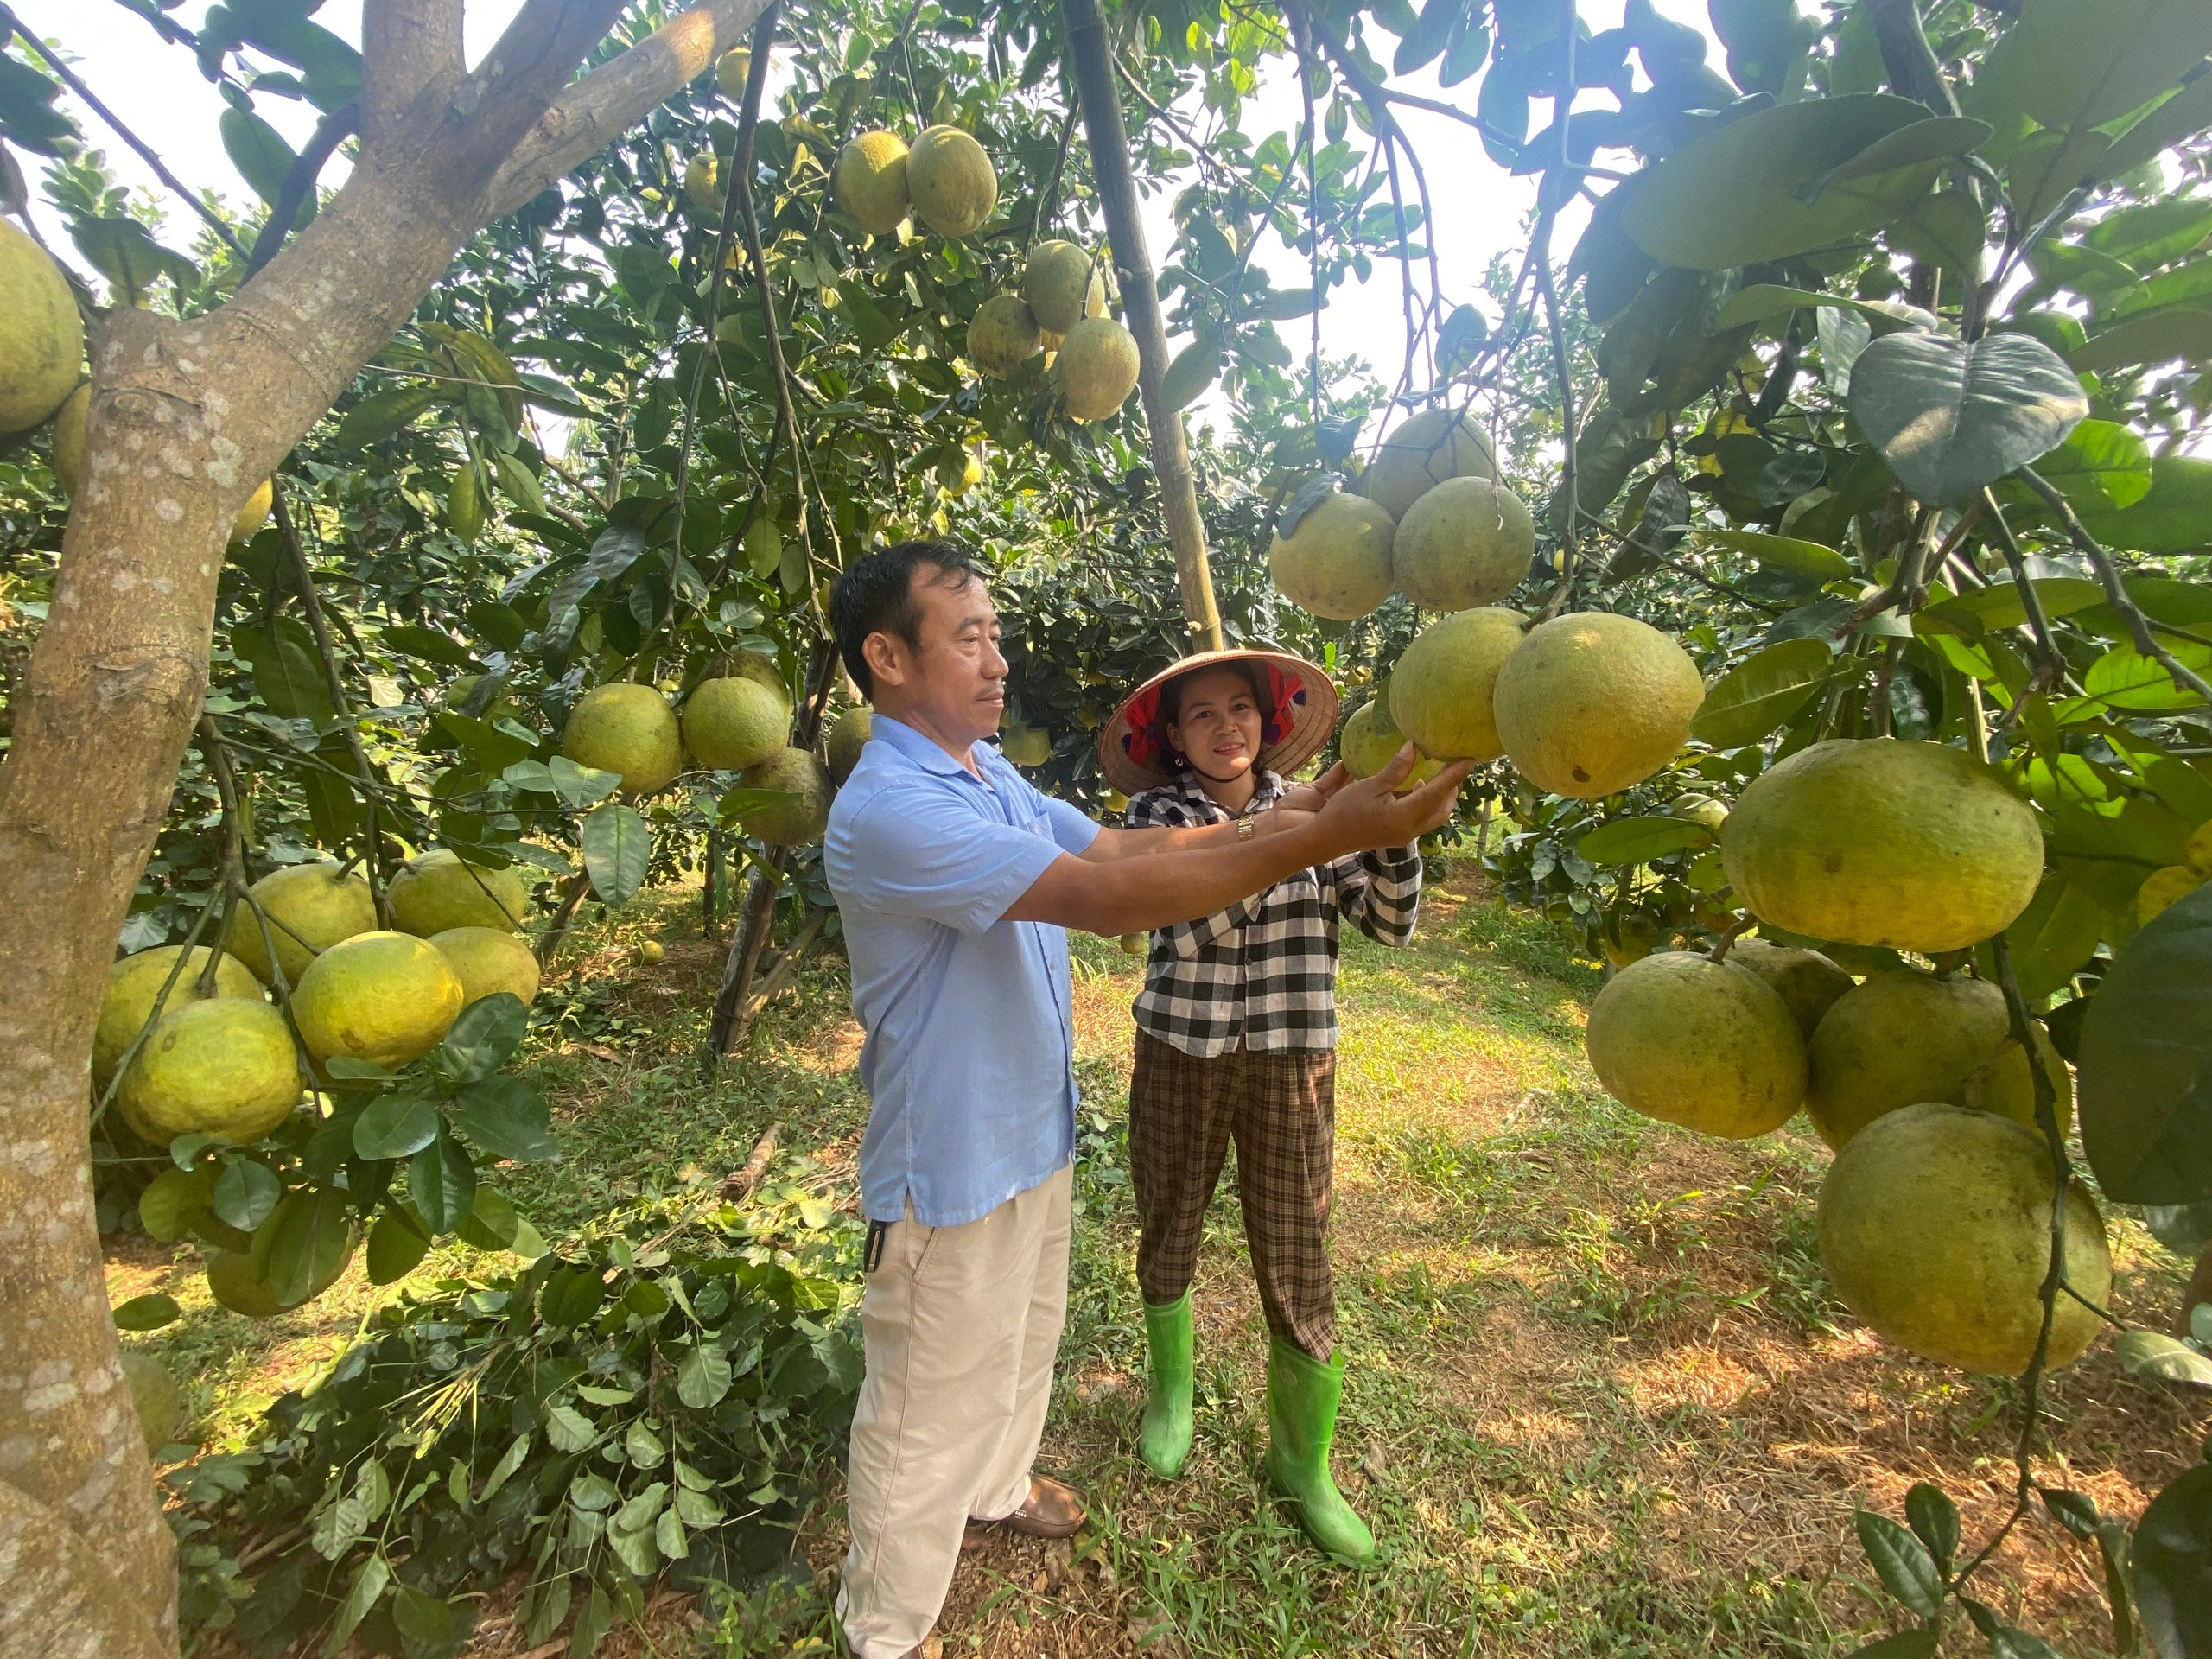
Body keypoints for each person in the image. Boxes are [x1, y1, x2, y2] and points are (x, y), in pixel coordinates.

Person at [821, 542, 1470, 1658]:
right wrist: (1326, 837)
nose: (997, 658)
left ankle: (1000, 1487)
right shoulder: (891, 807)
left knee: (1026, 1342)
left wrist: (1303, 805)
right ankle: (885, 1630)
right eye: (967, 635)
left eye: (994, 632)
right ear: (886, 657)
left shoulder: (987, 775)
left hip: (1034, 1130)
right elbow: (1107, 897)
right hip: (951, 1158)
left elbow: (1125, 839)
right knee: (924, 1403)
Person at [1098, 652, 1421, 1565]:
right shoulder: (1159, 817)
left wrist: (1390, 833)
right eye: (1200, 716)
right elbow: (1180, 924)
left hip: (1291, 1056)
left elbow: (1389, 925)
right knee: (1169, 1220)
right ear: (1173, 739)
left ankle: (1302, 1462)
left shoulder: (1328, 816)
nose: (1224, 727)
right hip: (1180, 1050)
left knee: (1296, 1243)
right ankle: (1172, 1395)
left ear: (1267, 722)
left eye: (1239, 708)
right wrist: (1298, 834)